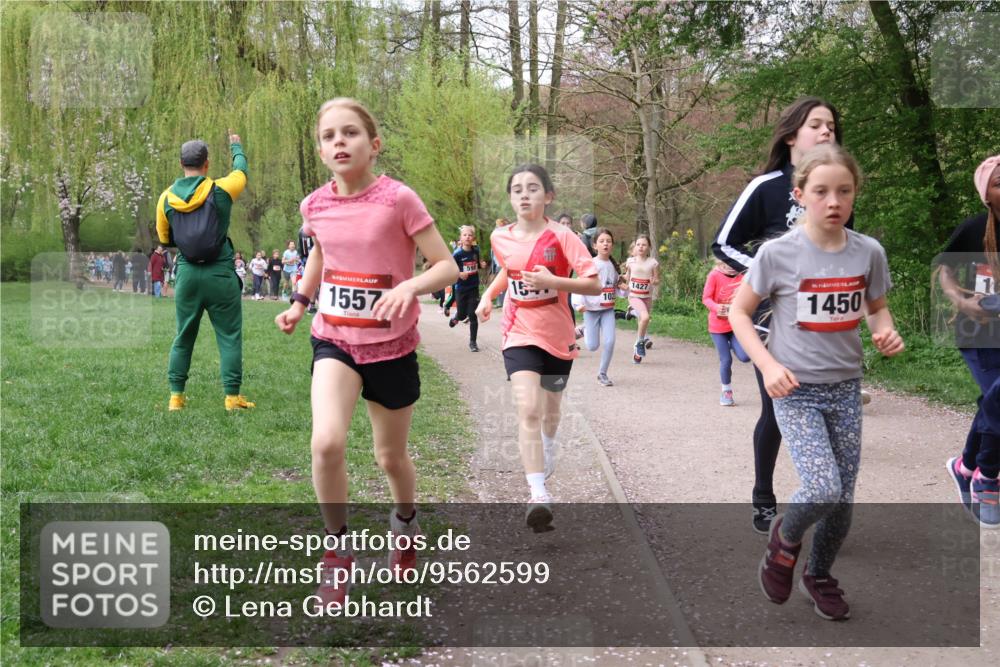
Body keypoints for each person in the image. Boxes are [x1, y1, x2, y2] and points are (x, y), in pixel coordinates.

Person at [275, 97, 457, 608]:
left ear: (373, 145)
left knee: (389, 457)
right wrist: (299, 303)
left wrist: (410, 287)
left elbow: (446, 266)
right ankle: (336, 553)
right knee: (326, 443)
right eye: (330, 135)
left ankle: (405, 524)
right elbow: (322, 254)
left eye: (350, 132)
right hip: (335, 338)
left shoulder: (399, 200)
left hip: (392, 347)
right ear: (320, 149)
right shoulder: (315, 205)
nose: (339, 141)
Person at [729, 144, 903, 621]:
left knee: (843, 499)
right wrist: (766, 366)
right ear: (800, 194)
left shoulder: (868, 252)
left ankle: (819, 573)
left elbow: (876, 306)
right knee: (822, 486)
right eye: (822, 191)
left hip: (846, 388)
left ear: (853, 196)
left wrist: (883, 330)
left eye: (843, 191)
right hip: (795, 389)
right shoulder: (778, 253)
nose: (833, 201)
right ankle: (785, 539)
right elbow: (738, 313)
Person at [712, 96, 850, 534]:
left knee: (831, 414)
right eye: (817, 124)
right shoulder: (766, 187)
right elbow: (723, 244)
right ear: (793, 135)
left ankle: (824, 504)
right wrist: (771, 274)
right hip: (772, 323)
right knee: (777, 410)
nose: (827, 131)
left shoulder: (837, 188)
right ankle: (763, 497)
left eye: (831, 125)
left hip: (824, 322)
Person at [476, 163, 600, 530]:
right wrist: (488, 295)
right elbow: (509, 270)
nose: (524, 195)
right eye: (517, 189)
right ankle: (537, 493)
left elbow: (592, 284)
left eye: (533, 188)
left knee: (550, 411)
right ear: (511, 197)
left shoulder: (563, 237)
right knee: (527, 407)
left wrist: (554, 280)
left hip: (558, 334)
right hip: (518, 331)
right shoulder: (500, 237)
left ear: (548, 196)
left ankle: (548, 446)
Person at [156, 131, 254, 412]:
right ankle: (232, 398)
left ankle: (176, 397)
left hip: (187, 274)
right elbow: (241, 170)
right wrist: (236, 145)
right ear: (207, 163)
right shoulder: (222, 189)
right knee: (229, 335)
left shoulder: (165, 199)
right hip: (220, 274)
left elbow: (165, 240)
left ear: (180, 163)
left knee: (183, 336)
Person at [940, 154, 1000, 528]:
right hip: (976, 331)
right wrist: (961, 300)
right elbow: (944, 268)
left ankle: (965, 465)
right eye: (999, 182)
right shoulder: (974, 228)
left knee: (993, 399)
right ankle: (989, 477)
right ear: (987, 195)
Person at [571, 227, 621, 386]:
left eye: (608, 241)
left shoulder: (613, 265)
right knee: (592, 346)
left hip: (607, 310)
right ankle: (584, 329)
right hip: (591, 310)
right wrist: (578, 304)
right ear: (594, 245)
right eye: (602, 241)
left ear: (612, 245)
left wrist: (622, 287)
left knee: (610, 341)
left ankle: (602, 373)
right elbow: (580, 284)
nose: (605, 244)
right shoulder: (591, 264)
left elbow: (614, 286)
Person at [703, 259, 751, 406]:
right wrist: (717, 307)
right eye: (727, 264)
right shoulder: (714, 275)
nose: (731, 268)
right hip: (717, 327)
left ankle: (731, 345)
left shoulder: (743, 276)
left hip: (735, 326)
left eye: (734, 265)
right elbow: (706, 298)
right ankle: (726, 391)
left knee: (745, 357)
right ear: (720, 262)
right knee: (726, 360)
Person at [622, 234, 659, 363]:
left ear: (649, 247)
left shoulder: (653, 263)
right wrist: (619, 280)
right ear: (635, 246)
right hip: (634, 296)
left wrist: (654, 281)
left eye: (644, 245)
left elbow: (657, 279)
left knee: (641, 321)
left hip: (647, 297)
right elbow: (627, 277)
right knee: (645, 318)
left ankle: (637, 355)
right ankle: (640, 343)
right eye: (638, 244)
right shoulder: (630, 261)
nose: (641, 247)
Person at [449, 225, 486, 352]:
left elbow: (476, 266)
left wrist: (481, 265)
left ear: (473, 238)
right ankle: (456, 318)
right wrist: (459, 273)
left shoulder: (475, 251)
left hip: (473, 288)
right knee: (462, 314)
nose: (467, 237)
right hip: (461, 288)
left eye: (470, 235)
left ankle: (473, 342)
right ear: (461, 238)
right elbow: (450, 269)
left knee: (472, 315)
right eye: (465, 235)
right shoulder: (457, 254)